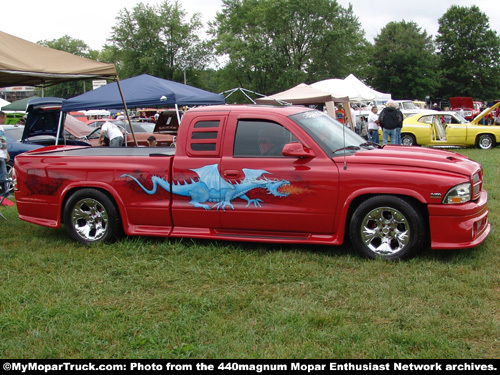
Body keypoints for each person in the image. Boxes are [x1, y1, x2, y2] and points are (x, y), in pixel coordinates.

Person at [0, 111, 11, 194]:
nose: (5, 119)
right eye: (5, 117)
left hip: (2, 154)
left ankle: (5, 191)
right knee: (3, 173)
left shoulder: (1, 128)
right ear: (1, 117)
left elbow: (3, 142)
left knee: (4, 173)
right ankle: (5, 191)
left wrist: (6, 153)